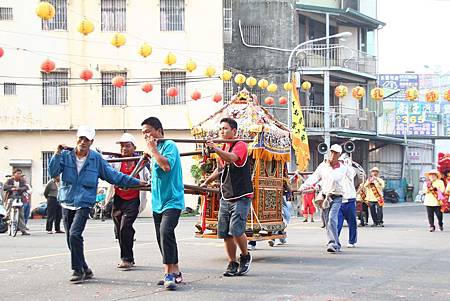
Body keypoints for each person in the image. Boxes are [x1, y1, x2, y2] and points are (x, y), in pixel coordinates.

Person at [49, 125, 146, 283]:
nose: (83, 142)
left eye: (87, 139)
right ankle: (85, 267)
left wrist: (136, 182)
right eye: (81, 138)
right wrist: (56, 154)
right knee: (70, 238)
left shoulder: (96, 159)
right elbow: (53, 172)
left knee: (74, 234)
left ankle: (77, 270)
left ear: (91, 141)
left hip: (84, 202)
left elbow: (113, 175)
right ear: (77, 139)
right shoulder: (65, 155)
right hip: (66, 200)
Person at [202, 117, 253, 276]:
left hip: (241, 194)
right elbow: (221, 169)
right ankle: (232, 262)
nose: (222, 131)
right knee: (225, 233)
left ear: (234, 131)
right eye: (220, 129)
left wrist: (216, 148)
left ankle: (245, 256)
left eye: (225, 128)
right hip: (226, 194)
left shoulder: (240, 145)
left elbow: (232, 159)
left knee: (236, 229)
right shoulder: (223, 146)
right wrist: (207, 181)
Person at [141, 117, 184, 290]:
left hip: (173, 200)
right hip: (158, 201)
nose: (146, 135)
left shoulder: (169, 146)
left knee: (166, 231)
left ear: (159, 130)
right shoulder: (154, 150)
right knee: (163, 236)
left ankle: (168, 274)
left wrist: (153, 151)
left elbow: (166, 166)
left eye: (148, 131)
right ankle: (176, 271)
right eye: (143, 133)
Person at [107, 133, 149, 269]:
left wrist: (146, 183)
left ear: (134, 147)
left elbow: (149, 176)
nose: (124, 149)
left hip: (133, 200)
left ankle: (127, 259)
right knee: (120, 229)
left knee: (125, 226)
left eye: (127, 146)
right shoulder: (116, 161)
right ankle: (126, 255)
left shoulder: (141, 161)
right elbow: (107, 171)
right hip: (119, 198)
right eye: (122, 146)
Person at [300, 144, 352, 253]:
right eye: (332, 152)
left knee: (332, 219)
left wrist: (326, 170)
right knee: (327, 221)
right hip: (325, 197)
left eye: (336, 153)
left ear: (339, 155)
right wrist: (303, 187)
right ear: (329, 153)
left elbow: (335, 177)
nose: (333, 155)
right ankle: (334, 243)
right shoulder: (322, 166)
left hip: (336, 196)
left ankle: (333, 243)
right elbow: (314, 177)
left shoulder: (342, 168)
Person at [336, 154, 358, 248]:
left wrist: (348, 165)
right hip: (339, 200)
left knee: (352, 222)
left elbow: (351, 174)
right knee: (337, 223)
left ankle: (352, 241)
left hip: (350, 200)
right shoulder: (336, 172)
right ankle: (334, 241)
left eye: (342, 161)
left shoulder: (350, 170)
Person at [3, 168, 30, 235]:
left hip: (19, 198)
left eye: (20, 173)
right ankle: (7, 215)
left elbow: (26, 187)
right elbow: (5, 187)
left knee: (21, 214)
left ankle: (23, 230)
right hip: (11, 197)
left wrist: (19, 189)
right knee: (10, 202)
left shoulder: (22, 181)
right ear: (14, 174)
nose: (19, 175)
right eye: (17, 173)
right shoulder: (9, 180)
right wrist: (12, 187)